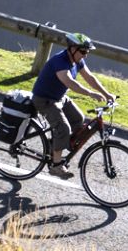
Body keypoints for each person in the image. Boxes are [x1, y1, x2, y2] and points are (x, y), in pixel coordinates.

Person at [32, 31, 114, 178]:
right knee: (63, 128)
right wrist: (91, 94)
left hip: (58, 97)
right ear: (72, 48)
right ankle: (56, 166)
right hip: (44, 99)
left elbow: (90, 77)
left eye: (87, 52)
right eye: (83, 51)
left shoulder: (77, 60)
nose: (85, 55)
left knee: (78, 119)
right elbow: (70, 83)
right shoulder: (60, 61)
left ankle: (54, 146)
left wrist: (107, 94)